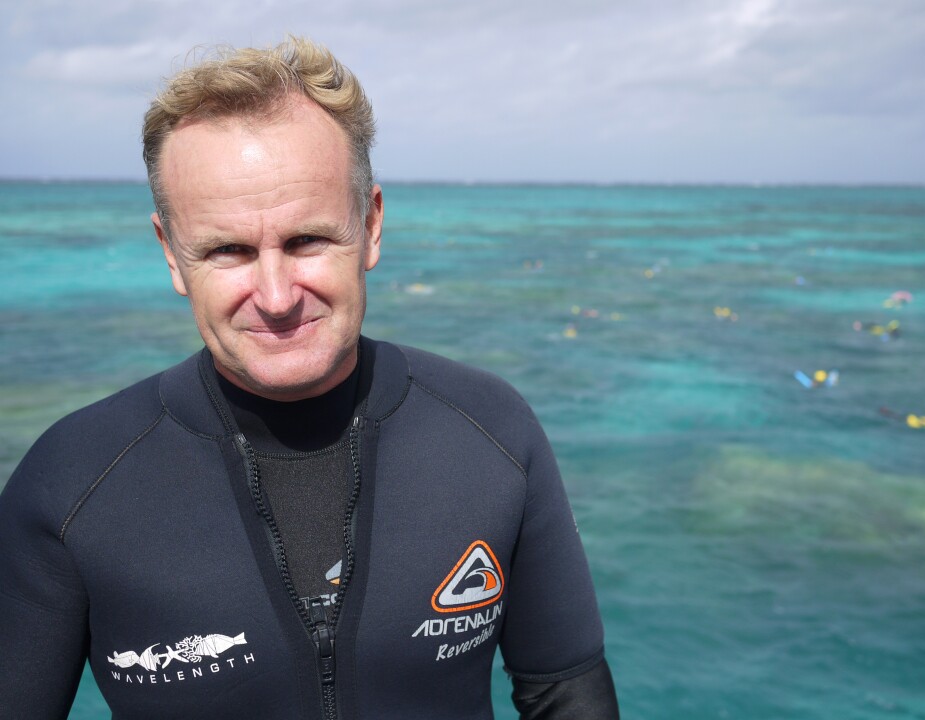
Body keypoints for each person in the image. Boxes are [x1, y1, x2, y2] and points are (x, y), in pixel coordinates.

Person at [0, 37, 618, 719]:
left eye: (307, 241)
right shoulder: (72, 484)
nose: (275, 294)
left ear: (372, 225)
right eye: (227, 250)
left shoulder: (493, 434)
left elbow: (567, 692)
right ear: (172, 255)